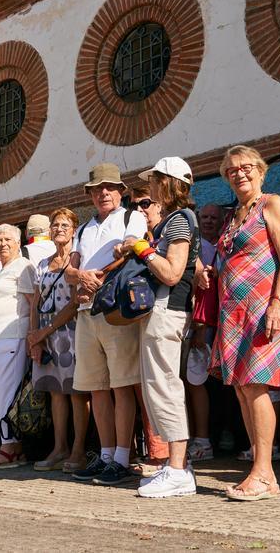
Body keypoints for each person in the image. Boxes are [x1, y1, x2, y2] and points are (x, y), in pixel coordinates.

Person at [204, 145, 280, 500]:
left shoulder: (271, 204)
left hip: (263, 308)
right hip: (233, 313)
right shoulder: (233, 216)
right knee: (243, 389)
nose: (239, 174)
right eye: (231, 170)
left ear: (261, 171)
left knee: (257, 385)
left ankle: (264, 472)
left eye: (246, 167)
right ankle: (260, 470)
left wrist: (278, 303)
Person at [66, 162, 148, 486]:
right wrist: (81, 275)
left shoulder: (132, 217)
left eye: (110, 187)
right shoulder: (84, 229)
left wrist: (97, 275)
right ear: (90, 194)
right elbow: (70, 271)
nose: (104, 192)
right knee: (96, 389)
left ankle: (123, 459)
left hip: (115, 309)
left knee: (122, 385)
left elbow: (130, 250)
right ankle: (105, 456)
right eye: (97, 188)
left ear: (120, 191)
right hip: (86, 312)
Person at [131, 157, 201, 498]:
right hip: (163, 312)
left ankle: (177, 470)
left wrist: (142, 250)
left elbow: (172, 272)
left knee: (165, 388)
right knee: (157, 387)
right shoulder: (176, 220)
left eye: (156, 180)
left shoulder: (178, 220)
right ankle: (175, 468)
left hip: (167, 311)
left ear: (169, 183)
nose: (152, 187)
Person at [27, 208, 91, 473]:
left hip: (72, 332)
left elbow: (75, 303)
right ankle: (59, 447)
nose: (59, 228)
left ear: (74, 230)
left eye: (65, 224)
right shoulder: (42, 264)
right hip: (46, 335)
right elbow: (35, 302)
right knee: (55, 393)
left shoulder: (77, 262)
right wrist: (35, 337)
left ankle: (78, 450)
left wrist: (45, 331)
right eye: (55, 225)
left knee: (76, 393)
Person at [0, 224, 36, 470]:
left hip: (13, 337)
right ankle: (11, 445)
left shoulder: (23, 266)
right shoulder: (2, 271)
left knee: (9, 393)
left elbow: (33, 303)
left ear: (18, 242)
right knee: (3, 393)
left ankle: (9, 448)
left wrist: (33, 337)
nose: (2, 244)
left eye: (7, 239)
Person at [128, 185, 170, 475]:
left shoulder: (168, 233)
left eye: (145, 203)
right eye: (134, 206)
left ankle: (166, 456)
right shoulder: (141, 237)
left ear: (159, 205)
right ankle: (156, 453)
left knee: (162, 386)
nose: (140, 210)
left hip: (168, 317)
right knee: (145, 387)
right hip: (140, 320)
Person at [185, 202, 225, 463]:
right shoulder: (196, 247)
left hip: (206, 324)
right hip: (193, 322)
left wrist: (201, 328)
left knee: (196, 382)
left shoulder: (219, 250)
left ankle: (203, 440)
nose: (209, 221)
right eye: (205, 217)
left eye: (214, 218)